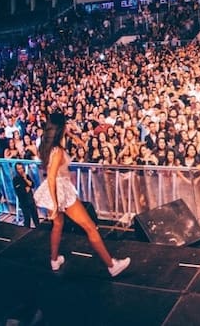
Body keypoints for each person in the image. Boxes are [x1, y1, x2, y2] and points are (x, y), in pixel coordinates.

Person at [33, 111, 130, 277]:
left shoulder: (47, 146)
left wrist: (71, 134)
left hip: (53, 188)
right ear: (60, 128)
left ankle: (54, 260)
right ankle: (112, 265)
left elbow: (79, 144)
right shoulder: (58, 151)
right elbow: (51, 177)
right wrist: (55, 204)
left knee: (58, 225)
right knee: (90, 227)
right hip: (59, 189)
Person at [12, 162, 40, 228]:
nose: (21, 170)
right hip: (23, 202)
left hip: (31, 200)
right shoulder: (15, 179)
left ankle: (39, 229)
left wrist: (25, 179)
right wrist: (26, 189)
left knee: (36, 218)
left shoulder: (26, 176)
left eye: (21, 168)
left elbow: (32, 185)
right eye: (19, 169)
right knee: (27, 220)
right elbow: (19, 191)